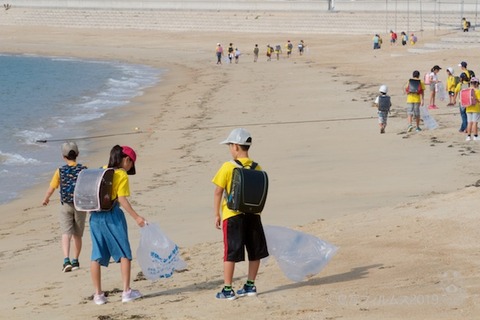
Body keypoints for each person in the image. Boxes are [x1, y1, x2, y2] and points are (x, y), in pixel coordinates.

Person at [212, 128, 269, 300]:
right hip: (253, 215)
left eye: (230, 146)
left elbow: (218, 192)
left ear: (236, 146)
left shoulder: (228, 166)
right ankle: (250, 285)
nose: (230, 149)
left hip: (232, 215)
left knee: (230, 253)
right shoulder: (257, 167)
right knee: (255, 251)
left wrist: (217, 214)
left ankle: (228, 289)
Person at [89, 145, 146, 305]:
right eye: (131, 164)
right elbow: (121, 199)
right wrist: (137, 217)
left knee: (96, 254)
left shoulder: (101, 169)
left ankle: (98, 295)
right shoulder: (121, 174)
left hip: (95, 217)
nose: (130, 168)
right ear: (126, 159)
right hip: (113, 216)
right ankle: (127, 291)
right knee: (124, 253)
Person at [42, 142, 87, 273]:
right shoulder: (83, 170)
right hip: (80, 205)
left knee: (66, 234)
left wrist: (46, 198)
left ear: (63, 156)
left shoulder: (60, 171)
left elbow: (52, 188)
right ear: (77, 154)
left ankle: (66, 260)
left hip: (66, 205)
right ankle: (76, 260)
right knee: (77, 235)